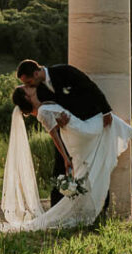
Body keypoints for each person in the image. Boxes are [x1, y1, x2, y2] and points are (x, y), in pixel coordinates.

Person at [0, 85, 132, 234]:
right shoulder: (43, 111)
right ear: (27, 98)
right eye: (26, 89)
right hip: (79, 130)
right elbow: (55, 137)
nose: (30, 87)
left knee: (108, 123)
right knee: (106, 123)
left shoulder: (45, 105)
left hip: (75, 126)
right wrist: (66, 159)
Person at [15, 59, 113, 206]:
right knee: (60, 170)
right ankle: (57, 210)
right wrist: (58, 120)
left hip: (84, 125)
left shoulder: (65, 71)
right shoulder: (39, 90)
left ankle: (101, 208)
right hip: (64, 133)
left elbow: (89, 87)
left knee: (92, 166)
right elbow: (42, 112)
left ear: (36, 73)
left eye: (29, 81)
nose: (28, 85)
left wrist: (106, 111)